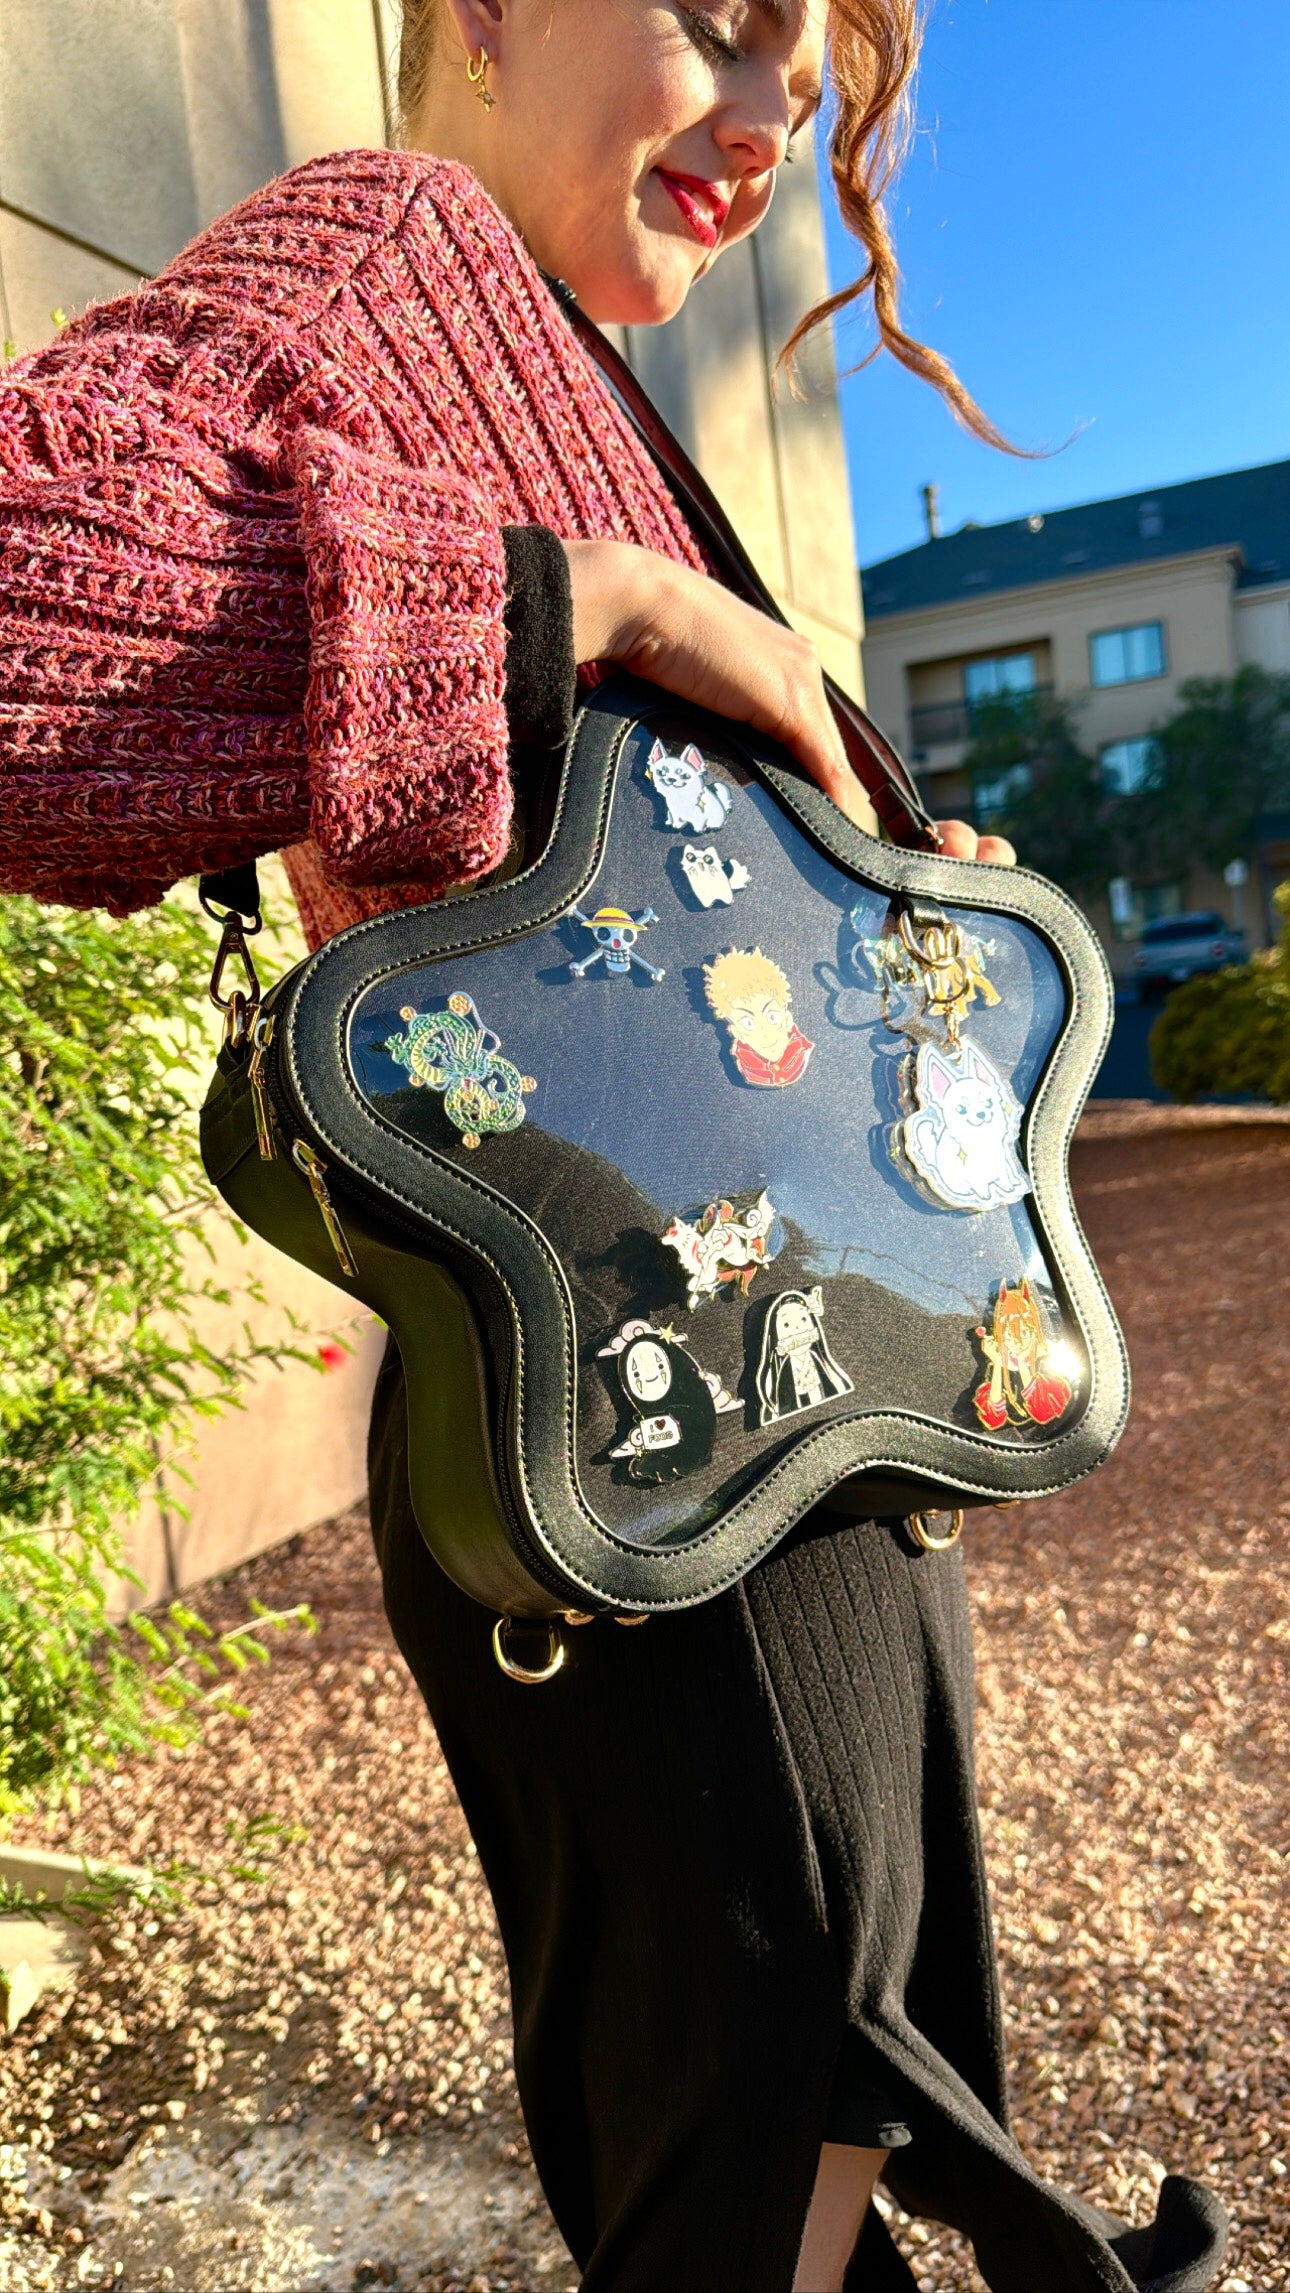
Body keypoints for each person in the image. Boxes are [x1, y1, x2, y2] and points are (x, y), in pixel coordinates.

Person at [0, 0, 1227, 2286]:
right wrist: (589, 605)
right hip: (638, 1446)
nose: (764, 127)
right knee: (767, 2148)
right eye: (722, 29)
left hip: (755, 1425)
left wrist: (894, 927)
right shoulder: (386, 251)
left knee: (819, 2137)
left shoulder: (563, 356)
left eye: (805, 89)